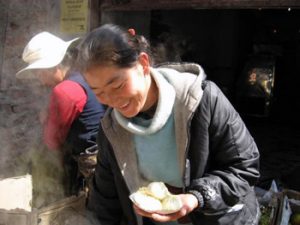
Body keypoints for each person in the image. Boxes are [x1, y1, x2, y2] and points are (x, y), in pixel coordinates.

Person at [76, 24, 260, 225]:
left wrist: (196, 197)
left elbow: (244, 168)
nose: (111, 100)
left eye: (117, 85)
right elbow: (104, 202)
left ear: (143, 64)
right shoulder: (111, 129)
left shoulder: (201, 100)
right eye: (98, 92)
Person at [16, 31, 107, 195]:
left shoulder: (65, 90)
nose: (38, 78)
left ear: (52, 67)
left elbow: (52, 141)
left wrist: (46, 119)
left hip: (92, 163)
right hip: (106, 155)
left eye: (38, 72)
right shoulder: (83, 76)